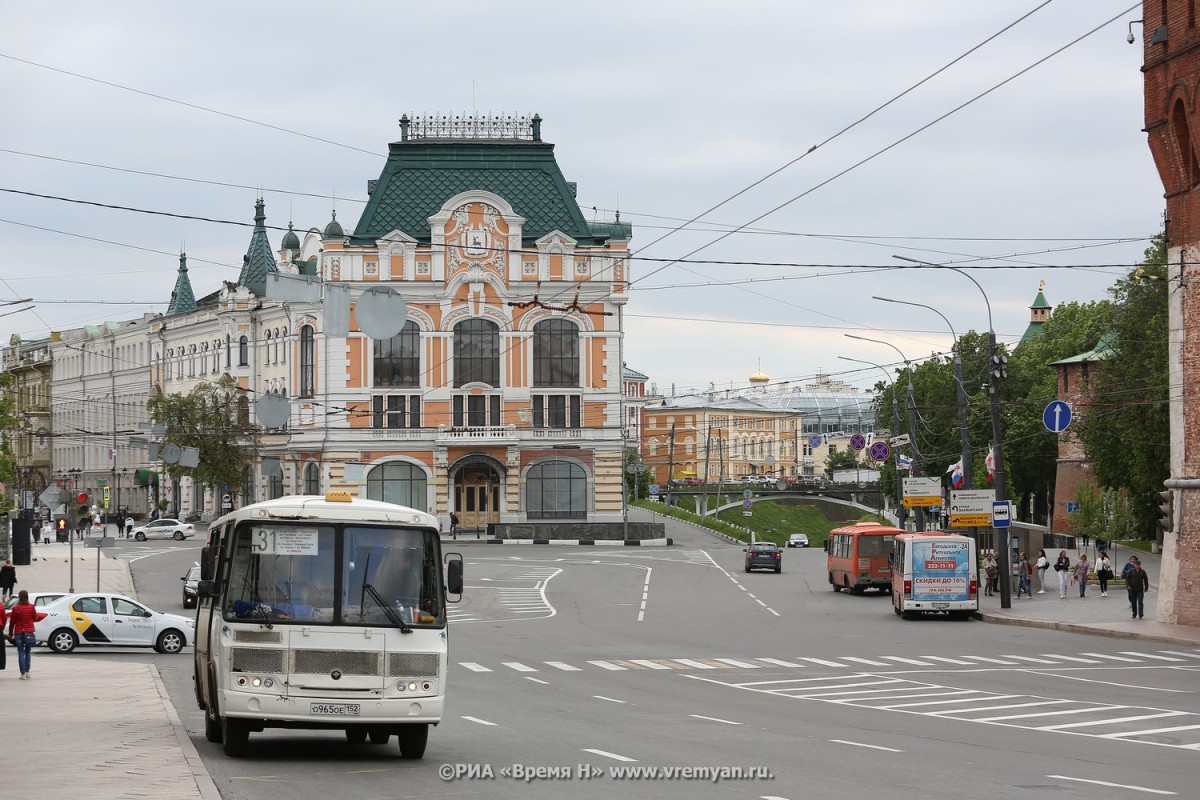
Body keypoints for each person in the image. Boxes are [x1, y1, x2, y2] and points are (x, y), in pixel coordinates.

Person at [8, 588, 48, 679]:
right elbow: (34, 618)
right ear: (27, 597)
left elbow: (12, 623)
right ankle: (28, 671)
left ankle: (22, 674)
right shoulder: (31, 606)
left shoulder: (15, 608)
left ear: (19, 597)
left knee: (21, 652)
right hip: (29, 632)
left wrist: (11, 634)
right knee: (28, 652)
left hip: (18, 632)